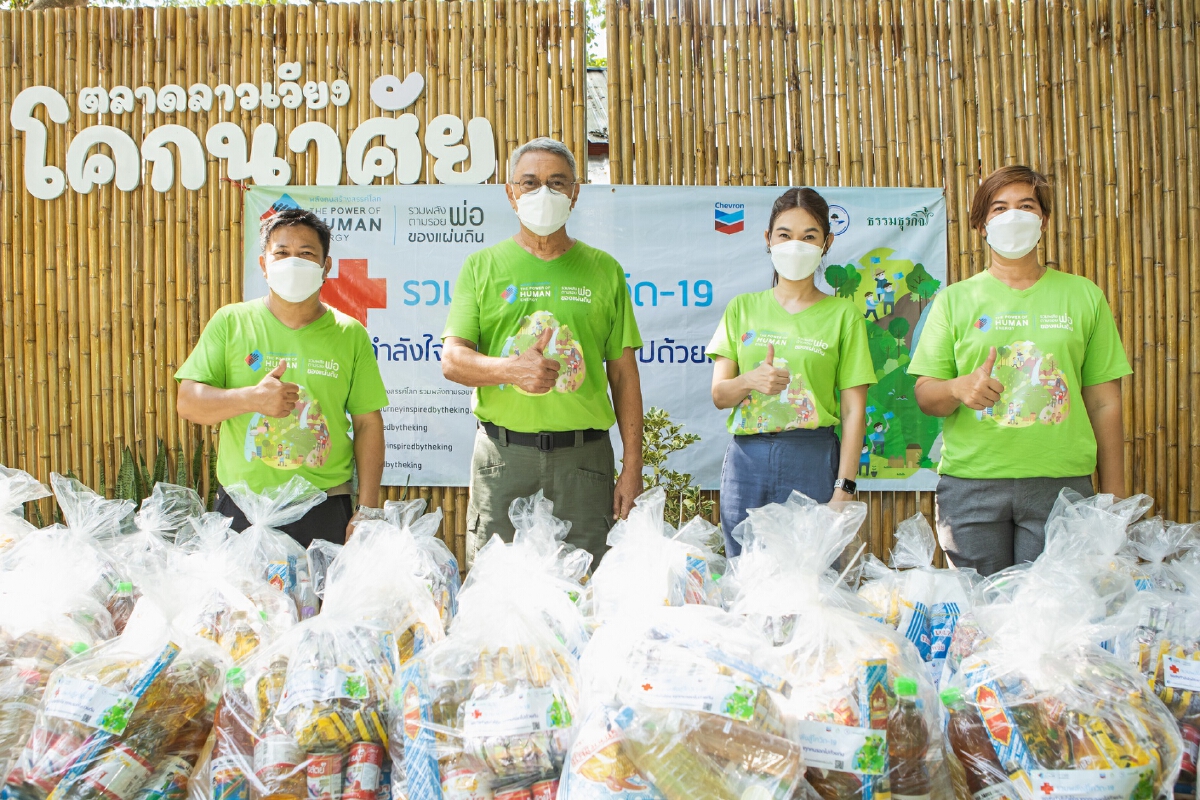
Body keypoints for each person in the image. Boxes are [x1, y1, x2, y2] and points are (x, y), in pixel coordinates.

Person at [909, 165, 1131, 576]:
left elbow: (1104, 401)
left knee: (1052, 616)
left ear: (1043, 220)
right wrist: (959, 389)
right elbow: (926, 395)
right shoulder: (954, 301)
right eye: (999, 208)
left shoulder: (1083, 296)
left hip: (1062, 486)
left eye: (1026, 206)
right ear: (981, 225)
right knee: (981, 614)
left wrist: (1113, 496)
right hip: (973, 485)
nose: (1013, 216)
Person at [441, 137, 644, 567]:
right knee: (497, 593)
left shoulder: (604, 269)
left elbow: (624, 374)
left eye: (556, 183)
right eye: (530, 183)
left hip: (584, 462)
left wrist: (632, 466)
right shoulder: (482, 266)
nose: (543, 194)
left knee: (585, 589)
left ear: (575, 192)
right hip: (503, 458)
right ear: (510, 192)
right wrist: (509, 370)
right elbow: (453, 360)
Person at [176, 209, 388, 547]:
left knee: (317, 602)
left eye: (306, 254)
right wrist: (251, 399)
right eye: (282, 253)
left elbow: (367, 423)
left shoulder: (350, 334)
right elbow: (188, 403)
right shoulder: (231, 323)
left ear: (325, 266)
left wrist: (368, 510)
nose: (294, 262)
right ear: (264, 264)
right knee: (244, 602)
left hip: (323, 507)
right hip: (243, 510)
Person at [708, 188, 877, 557]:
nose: (795, 245)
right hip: (747, 462)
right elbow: (720, 396)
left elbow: (853, 412)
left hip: (813, 458)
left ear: (826, 243)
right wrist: (750, 380)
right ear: (768, 240)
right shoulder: (742, 309)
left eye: (809, 236)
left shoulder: (843, 316)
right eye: (784, 235)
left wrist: (843, 489)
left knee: (810, 580)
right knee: (746, 578)